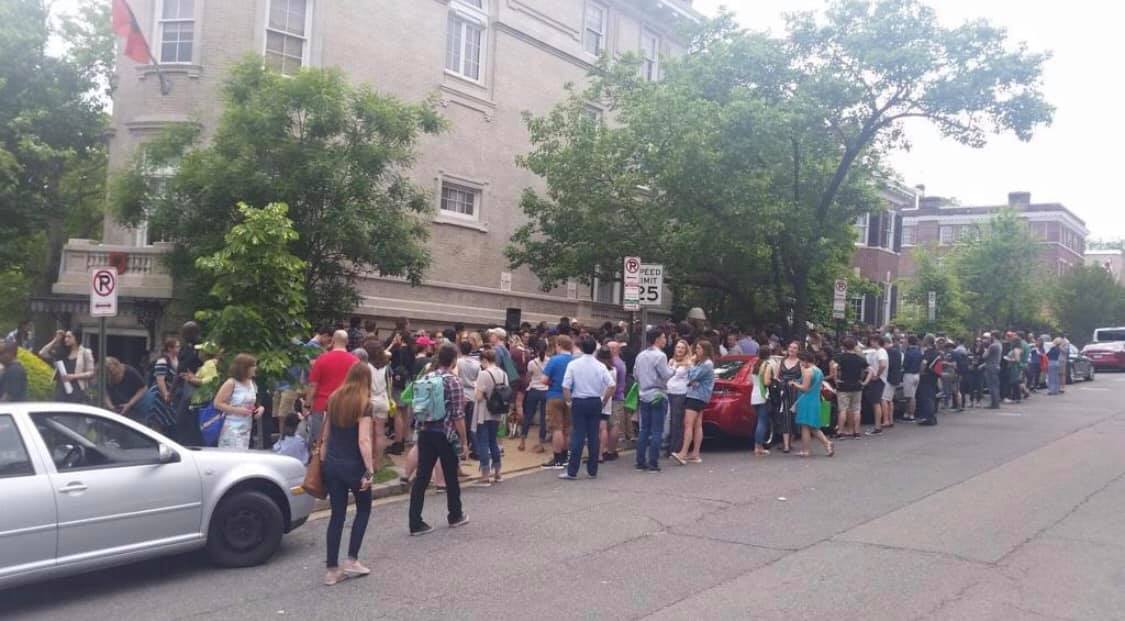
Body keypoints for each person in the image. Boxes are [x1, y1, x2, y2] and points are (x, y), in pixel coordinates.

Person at [320, 363, 376, 586]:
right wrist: (369, 469)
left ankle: (332, 570)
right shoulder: (364, 404)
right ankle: (352, 559)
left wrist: (322, 462)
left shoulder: (334, 398)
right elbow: (364, 440)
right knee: (363, 509)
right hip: (354, 466)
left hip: (333, 463)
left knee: (337, 515)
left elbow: (325, 435)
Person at [408, 343, 470, 536]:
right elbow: (458, 415)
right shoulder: (453, 381)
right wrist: (464, 441)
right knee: (451, 475)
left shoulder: (426, 377)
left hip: (425, 431)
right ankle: (455, 515)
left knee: (422, 476)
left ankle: (415, 522)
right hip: (446, 433)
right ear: (453, 360)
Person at [559, 336, 615, 480]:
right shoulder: (600, 366)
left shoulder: (574, 364)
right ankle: (592, 470)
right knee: (593, 436)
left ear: (582, 348)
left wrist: (569, 402)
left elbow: (565, 386)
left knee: (578, 435)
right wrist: (604, 400)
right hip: (595, 401)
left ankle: (572, 471)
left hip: (579, 400)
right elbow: (611, 385)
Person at [306, 330, 359, 447]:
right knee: (340, 442)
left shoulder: (321, 359)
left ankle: (317, 457)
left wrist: (307, 404)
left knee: (318, 440)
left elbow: (313, 385)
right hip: (345, 406)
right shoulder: (355, 362)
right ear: (347, 342)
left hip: (321, 405)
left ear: (333, 340)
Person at [634, 328, 674, 472]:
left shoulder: (640, 355)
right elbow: (666, 374)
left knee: (644, 429)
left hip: (643, 394)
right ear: (657, 339)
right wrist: (673, 369)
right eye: (663, 337)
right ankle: (653, 462)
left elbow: (635, 374)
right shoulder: (661, 356)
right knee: (657, 430)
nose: (665, 340)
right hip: (658, 394)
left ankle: (640, 461)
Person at [672, 341, 715, 465]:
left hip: (696, 396)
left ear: (705, 350)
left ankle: (683, 452)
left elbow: (692, 376)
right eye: (696, 348)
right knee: (697, 425)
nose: (697, 351)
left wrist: (691, 365)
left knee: (688, 424)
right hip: (699, 395)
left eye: (699, 348)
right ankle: (695, 453)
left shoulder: (706, 364)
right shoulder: (702, 363)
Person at [211, 354, 263, 449]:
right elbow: (217, 403)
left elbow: (254, 402)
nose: (255, 368)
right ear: (244, 368)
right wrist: (237, 410)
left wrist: (260, 409)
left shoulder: (252, 383)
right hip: (232, 426)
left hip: (247, 427)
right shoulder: (231, 383)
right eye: (253, 366)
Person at [473, 348, 508, 486]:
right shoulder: (503, 373)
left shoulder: (484, 374)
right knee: (494, 441)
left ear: (485, 360)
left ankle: (485, 475)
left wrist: (476, 389)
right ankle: (498, 473)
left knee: (483, 442)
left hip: (484, 412)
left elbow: (478, 396)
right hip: (497, 412)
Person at [540, 335, 574, 470]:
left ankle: (557, 457)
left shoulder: (554, 360)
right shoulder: (574, 360)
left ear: (559, 345)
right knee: (567, 428)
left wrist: (552, 382)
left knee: (556, 428)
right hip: (570, 396)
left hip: (555, 395)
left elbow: (543, 380)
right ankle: (566, 456)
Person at [790, 351, 833, 457]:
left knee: (805, 426)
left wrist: (794, 384)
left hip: (806, 401)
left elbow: (804, 388)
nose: (800, 364)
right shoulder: (819, 371)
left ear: (805, 361)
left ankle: (806, 450)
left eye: (801, 362)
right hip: (815, 400)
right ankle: (827, 443)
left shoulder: (808, 372)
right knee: (813, 427)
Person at [39, 329, 95, 403]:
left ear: (76, 338)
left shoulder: (85, 352)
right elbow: (42, 353)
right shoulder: (62, 351)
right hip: (61, 388)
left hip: (76, 388)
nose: (66, 339)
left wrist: (73, 376)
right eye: (65, 337)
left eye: (69, 337)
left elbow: (91, 372)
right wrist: (55, 340)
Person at [834, 337, 868, 440]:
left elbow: (834, 367)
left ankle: (840, 432)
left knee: (843, 410)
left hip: (843, 386)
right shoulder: (860, 358)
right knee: (856, 409)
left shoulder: (841, 357)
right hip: (857, 386)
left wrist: (836, 379)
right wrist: (864, 382)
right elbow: (869, 370)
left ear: (844, 347)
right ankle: (856, 432)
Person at [664, 340, 692, 459]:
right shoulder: (671, 361)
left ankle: (675, 449)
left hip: (680, 393)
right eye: (678, 347)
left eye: (682, 348)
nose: (679, 350)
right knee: (669, 420)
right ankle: (668, 446)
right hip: (668, 392)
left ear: (686, 350)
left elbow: (692, 378)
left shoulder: (688, 363)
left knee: (677, 421)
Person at [521, 339, 549, 453]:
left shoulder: (532, 363)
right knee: (543, 418)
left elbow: (528, 378)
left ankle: (522, 441)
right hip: (546, 391)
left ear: (535, 350)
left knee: (528, 415)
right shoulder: (550, 361)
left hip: (533, 390)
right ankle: (541, 443)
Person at [775, 341, 803, 452]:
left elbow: (804, 377)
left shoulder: (800, 363)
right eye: (790, 347)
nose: (791, 349)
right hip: (784, 391)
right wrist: (780, 383)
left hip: (796, 391)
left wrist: (796, 383)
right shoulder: (782, 361)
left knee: (794, 416)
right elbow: (776, 376)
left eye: (795, 348)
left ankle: (790, 442)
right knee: (785, 416)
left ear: (798, 350)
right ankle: (786, 445)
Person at [604, 340, 628, 461]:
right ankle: (611, 449)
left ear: (614, 349)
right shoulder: (621, 362)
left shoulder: (613, 364)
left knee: (613, 424)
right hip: (618, 396)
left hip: (614, 397)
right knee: (614, 423)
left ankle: (610, 450)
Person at [864, 335, 889, 435]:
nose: (870, 343)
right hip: (878, 379)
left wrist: (877, 375)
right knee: (876, 402)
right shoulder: (877, 352)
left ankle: (878, 427)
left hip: (878, 380)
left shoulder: (881, 352)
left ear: (876, 341)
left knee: (876, 403)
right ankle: (877, 425)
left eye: (872, 341)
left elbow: (883, 365)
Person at [917, 335, 941, 425]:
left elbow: (924, 363)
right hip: (933, 376)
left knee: (926, 397)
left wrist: (920, 372)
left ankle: (928, 418)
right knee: (931, 396)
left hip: (926, 376)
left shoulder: (928, 352)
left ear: (927, 341)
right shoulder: (936, 352)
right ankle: (932, 417)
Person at [750, 356, 771, 455]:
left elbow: (750, 380)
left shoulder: (754, 366)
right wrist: (771, 380)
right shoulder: (766, 365)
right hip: (763, 395)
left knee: (759, 420)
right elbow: (766, 382)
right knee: (762, 421)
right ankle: (758, 447)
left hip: (754, 395)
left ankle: (758, 446)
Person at [901, 336, 922, 421]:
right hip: (916, 374)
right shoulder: (919, 352)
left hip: (909, 374)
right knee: (912, 395)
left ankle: (910, 415)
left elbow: (905, 365)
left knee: (910, 396)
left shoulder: (908, 353)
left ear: (909, 342)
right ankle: (908, 414)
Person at [982, 332, 1003, 409]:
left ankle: (994, 403)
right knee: (995, 385)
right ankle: (995, 403)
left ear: (993, 336)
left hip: (990, 366)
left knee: (992, 386)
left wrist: (986, 349)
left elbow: (984, 356)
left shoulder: (993, 345)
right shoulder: (999, 344)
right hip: (996, 365)